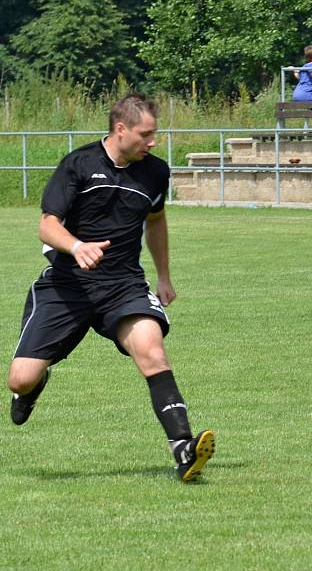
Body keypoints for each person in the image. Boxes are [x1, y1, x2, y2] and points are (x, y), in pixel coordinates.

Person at [7, 94, 215, 482]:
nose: (154, 141)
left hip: (123, 285)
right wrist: (76, 246)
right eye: (146, 134)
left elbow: (155, 221)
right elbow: (47, 225)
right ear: (121, 129)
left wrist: (164, 275)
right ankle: (32, 387)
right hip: (67, 285)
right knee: (20, 378)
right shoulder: (79, 164)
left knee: (152, 351)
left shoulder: (155, 173)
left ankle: (184, 449)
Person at [292, 44, 312, 129]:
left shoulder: (305, 66)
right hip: (307, 95)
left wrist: (294, 70)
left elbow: (298, 77)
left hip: (297, 94)